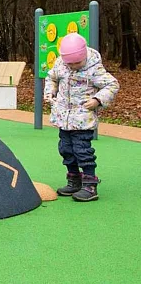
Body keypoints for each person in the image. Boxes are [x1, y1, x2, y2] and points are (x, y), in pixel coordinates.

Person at [44, 32, 119, 202]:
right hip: (63, 116)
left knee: (82, 151)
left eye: (77, 62)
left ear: (84, 55)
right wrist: (50, 92)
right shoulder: (61, 64)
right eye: (69, 63)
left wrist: (97, 99)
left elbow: (112, 84)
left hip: (83, 118)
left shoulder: (93, 69)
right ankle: (74, 180)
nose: (73, 66)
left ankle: (90, 184)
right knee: (65, 149)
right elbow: (51, 78)